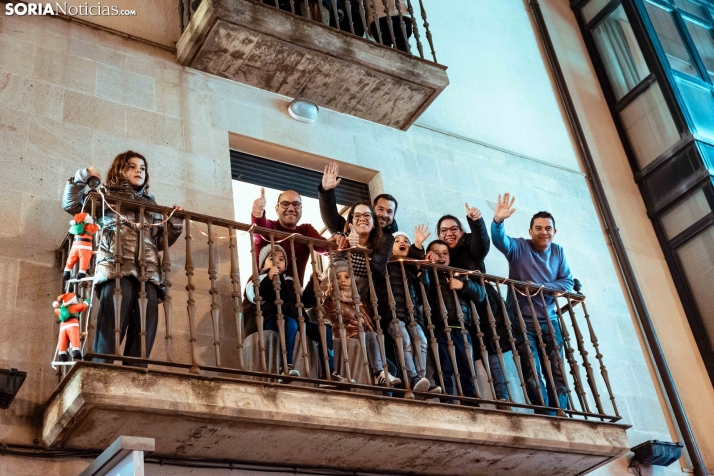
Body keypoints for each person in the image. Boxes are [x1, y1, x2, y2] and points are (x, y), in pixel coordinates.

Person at [62, 151, 184, 366]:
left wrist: (175, 223)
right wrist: (83, 176)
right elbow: (72, 204)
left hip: (150, 270)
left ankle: (136, 371)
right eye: (132, 166)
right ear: (120, 169)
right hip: (115, 264)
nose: (139, 170)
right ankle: (102, 366)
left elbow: (158, 242)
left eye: (142, 168)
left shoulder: (151, 204)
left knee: (145, 325)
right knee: (112, 320)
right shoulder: (105, 194)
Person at [491, 193, 573, 414]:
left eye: (548, 228)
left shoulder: (558, 251)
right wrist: (498, 221)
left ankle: (560, 413)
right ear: (530, 231)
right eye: (538, 228)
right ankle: (544, 414)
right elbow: (500, 240)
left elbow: (568, 281)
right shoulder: (519, 247)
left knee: (557, 370)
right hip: (522, 322)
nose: (543, 232)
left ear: (554, 232)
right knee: (531, 371)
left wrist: (540, 286)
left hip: (550, 319)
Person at [437, 205, 517, 406]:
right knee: (467, 350)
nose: (449, 233)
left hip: (483, 305)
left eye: (454, 229)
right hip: (460, 310)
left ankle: (502, 396)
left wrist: (477, 222)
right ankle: (470, 396)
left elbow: (482, 244)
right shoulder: (441, 253)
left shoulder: (470, 245)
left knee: (491, 348)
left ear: (462, 231)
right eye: (444, 230)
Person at [243, 244, 340, 380]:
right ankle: (286, 367)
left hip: (299, 319)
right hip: (272, 319)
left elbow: (304, 302)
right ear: (263, 264)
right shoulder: (258, 279)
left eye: (281, 259)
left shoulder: (290, 281)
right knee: (290, 323)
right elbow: (255, 296)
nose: (277, 261)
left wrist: (313, 283)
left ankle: (329, 372)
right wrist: (269, 278)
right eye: (272, 258)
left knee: (325, 329)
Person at [319, 163, 423, 259]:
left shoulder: (396, 239)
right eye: (380, 209)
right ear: (372, 211)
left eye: (389, 212)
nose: (384, 215)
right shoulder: (351, 228)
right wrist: (326, 191)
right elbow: (331, 218)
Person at [322, 260, 400, 386]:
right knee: (371, 336)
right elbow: (331, 317)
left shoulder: (360, 301)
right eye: (338, 278)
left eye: (347, 277)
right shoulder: (330, 300)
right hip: (348, 334)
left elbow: (368, 321)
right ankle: (378, 373)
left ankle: (386, 395)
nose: (343, 280)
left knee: (391, 367)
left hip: (366, 336)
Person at [426, 240, 486, 402]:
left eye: (445, 253)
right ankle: (447, 402)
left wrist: (462, 286)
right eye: (436, 252)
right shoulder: (429, 274)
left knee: (467, 369)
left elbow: (481, 295)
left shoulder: (458, 275)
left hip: (462, 328)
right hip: (439, 328)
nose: (441, 256)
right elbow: (422, 288)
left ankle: (471, 404)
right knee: (443, 368)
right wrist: (426, 266)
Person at [251, 187, 347, 283]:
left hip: (293, 295)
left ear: (301, 209)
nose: (291, 208)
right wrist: (258, 215)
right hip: (264, 292)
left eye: (296, 204)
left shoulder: (305, 230)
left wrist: (337, 242)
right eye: (285, 204)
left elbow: (322, 246)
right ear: (276, 209)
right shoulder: (270, 226)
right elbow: (258, 231)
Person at [375, 230, 431, 392]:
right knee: (404, 340)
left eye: (406, 241)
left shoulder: (410, 269)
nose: (403, 243)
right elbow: (377, 267)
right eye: (397, 240)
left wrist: (423, 274)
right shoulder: (386, 265)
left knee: (422, 341)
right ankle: (412, 378)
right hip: (391, 314)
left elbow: (421, 294)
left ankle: (421, 379)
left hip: (412, 315)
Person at [336, 201, 394, 302]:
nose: (362, 218)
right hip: (335, 302)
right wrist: (348, 245)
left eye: (367, 215)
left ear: (374, 223)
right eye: (357, 215)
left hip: (363, 306)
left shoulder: (379, 249)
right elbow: (332, 263)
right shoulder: (342, 239)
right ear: (351, 222)